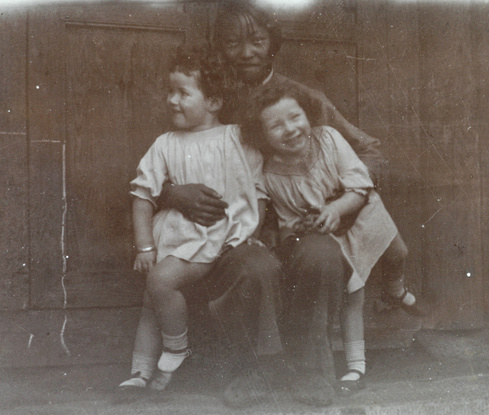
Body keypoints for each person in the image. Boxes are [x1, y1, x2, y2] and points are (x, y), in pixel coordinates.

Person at [158, 0, 422, 407]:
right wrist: (174, 193)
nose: (246, 52)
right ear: (219, 47)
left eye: (257, 41)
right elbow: (161, 161)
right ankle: (252, 371)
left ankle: (313, 371)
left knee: (320, 255)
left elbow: (368, 151)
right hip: (240, 230)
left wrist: (339, 200)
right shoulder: (210, 98)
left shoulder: (300, 99)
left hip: (301, 222)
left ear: (273, 44)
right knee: (254, 265)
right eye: (232, 43)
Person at [119, 47, 283, 408]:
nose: (171, 100)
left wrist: (251, 231)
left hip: (209, 239)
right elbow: (142, 196)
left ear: (214, 101)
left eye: (182, 92)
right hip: (173, 236)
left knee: (160, 283)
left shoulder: (237, 139)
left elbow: (257, 189)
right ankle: (139, 373)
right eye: (170, 91)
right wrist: (145, 247)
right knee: (152, 300)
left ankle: (177, 349)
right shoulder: (164, 144)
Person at [241, 83, 423, 405]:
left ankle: (394, 290)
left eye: (295, 117)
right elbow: (286, 223)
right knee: (353, 290)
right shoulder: (270, 174)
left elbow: (359, 183)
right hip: (329, 233)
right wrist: (308, 224)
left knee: (398, 252)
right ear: (262, 135)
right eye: (276, 125)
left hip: (359, 209)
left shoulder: (328, 139)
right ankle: (356, 367)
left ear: (307, 115)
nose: (290, 129)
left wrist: (337, 208)